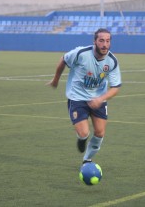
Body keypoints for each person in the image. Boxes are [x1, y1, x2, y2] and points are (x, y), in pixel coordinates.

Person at [47, 28, 122, 164]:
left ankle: (87, 160)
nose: (105, 44)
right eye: (101, 41)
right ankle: (82, 139)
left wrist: (100, 99)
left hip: (98, 99)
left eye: (107, 41)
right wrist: (56, 80)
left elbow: (116, 87)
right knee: (84, 133)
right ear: (94, 42)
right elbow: (63, 59)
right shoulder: (81, 53)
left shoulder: (112, 61)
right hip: (77, 98)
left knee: (99, 133)